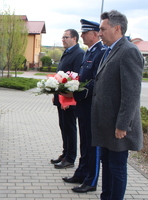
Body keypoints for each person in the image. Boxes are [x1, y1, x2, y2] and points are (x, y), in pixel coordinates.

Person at [91, 10, 144, 200]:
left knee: (117, 167)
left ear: (117, 28)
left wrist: (122, 125)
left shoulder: (129, 51)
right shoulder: (111, 50)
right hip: (106, 124)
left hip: (117, 126)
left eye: (103, 29)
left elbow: (131, 94)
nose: (99, 33)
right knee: (107, 164)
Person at [61, 19, 105, 193]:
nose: (83, 36)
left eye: (85, 33)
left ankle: (91, 180)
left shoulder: (101, 52)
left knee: (92, 144)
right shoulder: (89, 52)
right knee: (84, 142)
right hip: (83, 105)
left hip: (91, 105)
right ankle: (82, 172)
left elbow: (96, 80)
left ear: (95, 34)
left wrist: (77, 92)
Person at [51, 29, 84, 169]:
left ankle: (70, 158)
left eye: (66, 37)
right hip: (61, 98)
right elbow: (60, 76)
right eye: (62, 37)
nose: (63, 39)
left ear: (74, 39)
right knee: (63, 126)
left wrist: (67, 98)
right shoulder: (67, 52)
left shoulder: (79, 54)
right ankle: (65, 154)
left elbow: (76, 79)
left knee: (70, 128)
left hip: (70, 100)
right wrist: (56, 95)